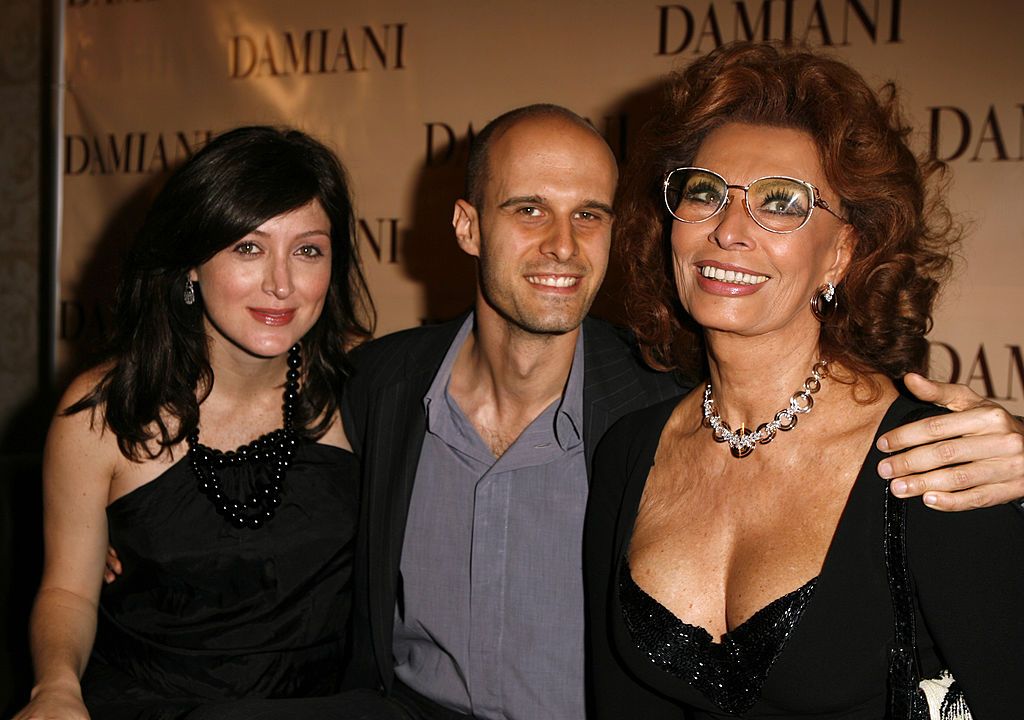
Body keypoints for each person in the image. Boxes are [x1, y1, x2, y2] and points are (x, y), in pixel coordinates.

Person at [109, 105, 1024, 720]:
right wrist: (135, 513)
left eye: (590, 214)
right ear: (468, 228)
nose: (560, 245)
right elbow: (254, 411)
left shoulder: (652, 405)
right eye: (528, 210)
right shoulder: (382, 386)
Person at [583, 42, 1024, 720]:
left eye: (781, 202)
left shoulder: (928, 460)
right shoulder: (627, 450)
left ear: (843, 252)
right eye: (704, 193)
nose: (729, 230)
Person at [15, 126, 373, 720]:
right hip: (151, 704)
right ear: (191, 265)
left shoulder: (369, 385)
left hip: (328, 705)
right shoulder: (103, 412)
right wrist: (55, 687)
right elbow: (68, 589)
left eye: (307, 250)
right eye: (248, 248)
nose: (281, 283)